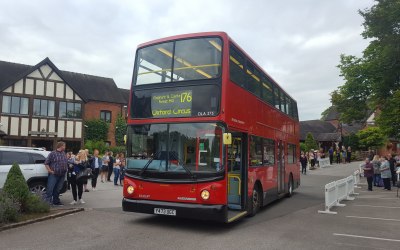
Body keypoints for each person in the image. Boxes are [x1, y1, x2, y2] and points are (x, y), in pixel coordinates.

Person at [45, 141, 68, 206]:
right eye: (64, 146)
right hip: (54, 174)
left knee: (58, 189)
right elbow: (46, 163)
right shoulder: (52, 153)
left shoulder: (63, 153)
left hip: (62, 174)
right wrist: (50, 171)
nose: (65, 147)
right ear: (61, 146)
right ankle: (47, 203)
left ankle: (56, 201)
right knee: (50, 188)